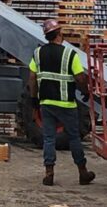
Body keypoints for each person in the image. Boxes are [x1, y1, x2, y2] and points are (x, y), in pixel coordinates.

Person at [26, 19, 96, 186]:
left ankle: (49, 173)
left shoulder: (37, 54)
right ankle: (82, 172)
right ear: (59, 34)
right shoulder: (70, 55)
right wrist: (86, 92)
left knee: (49, 138)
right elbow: (79, 77)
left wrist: (34, 100)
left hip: (46, 103)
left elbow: (32, 79)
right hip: (66, 104)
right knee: (74, 138)